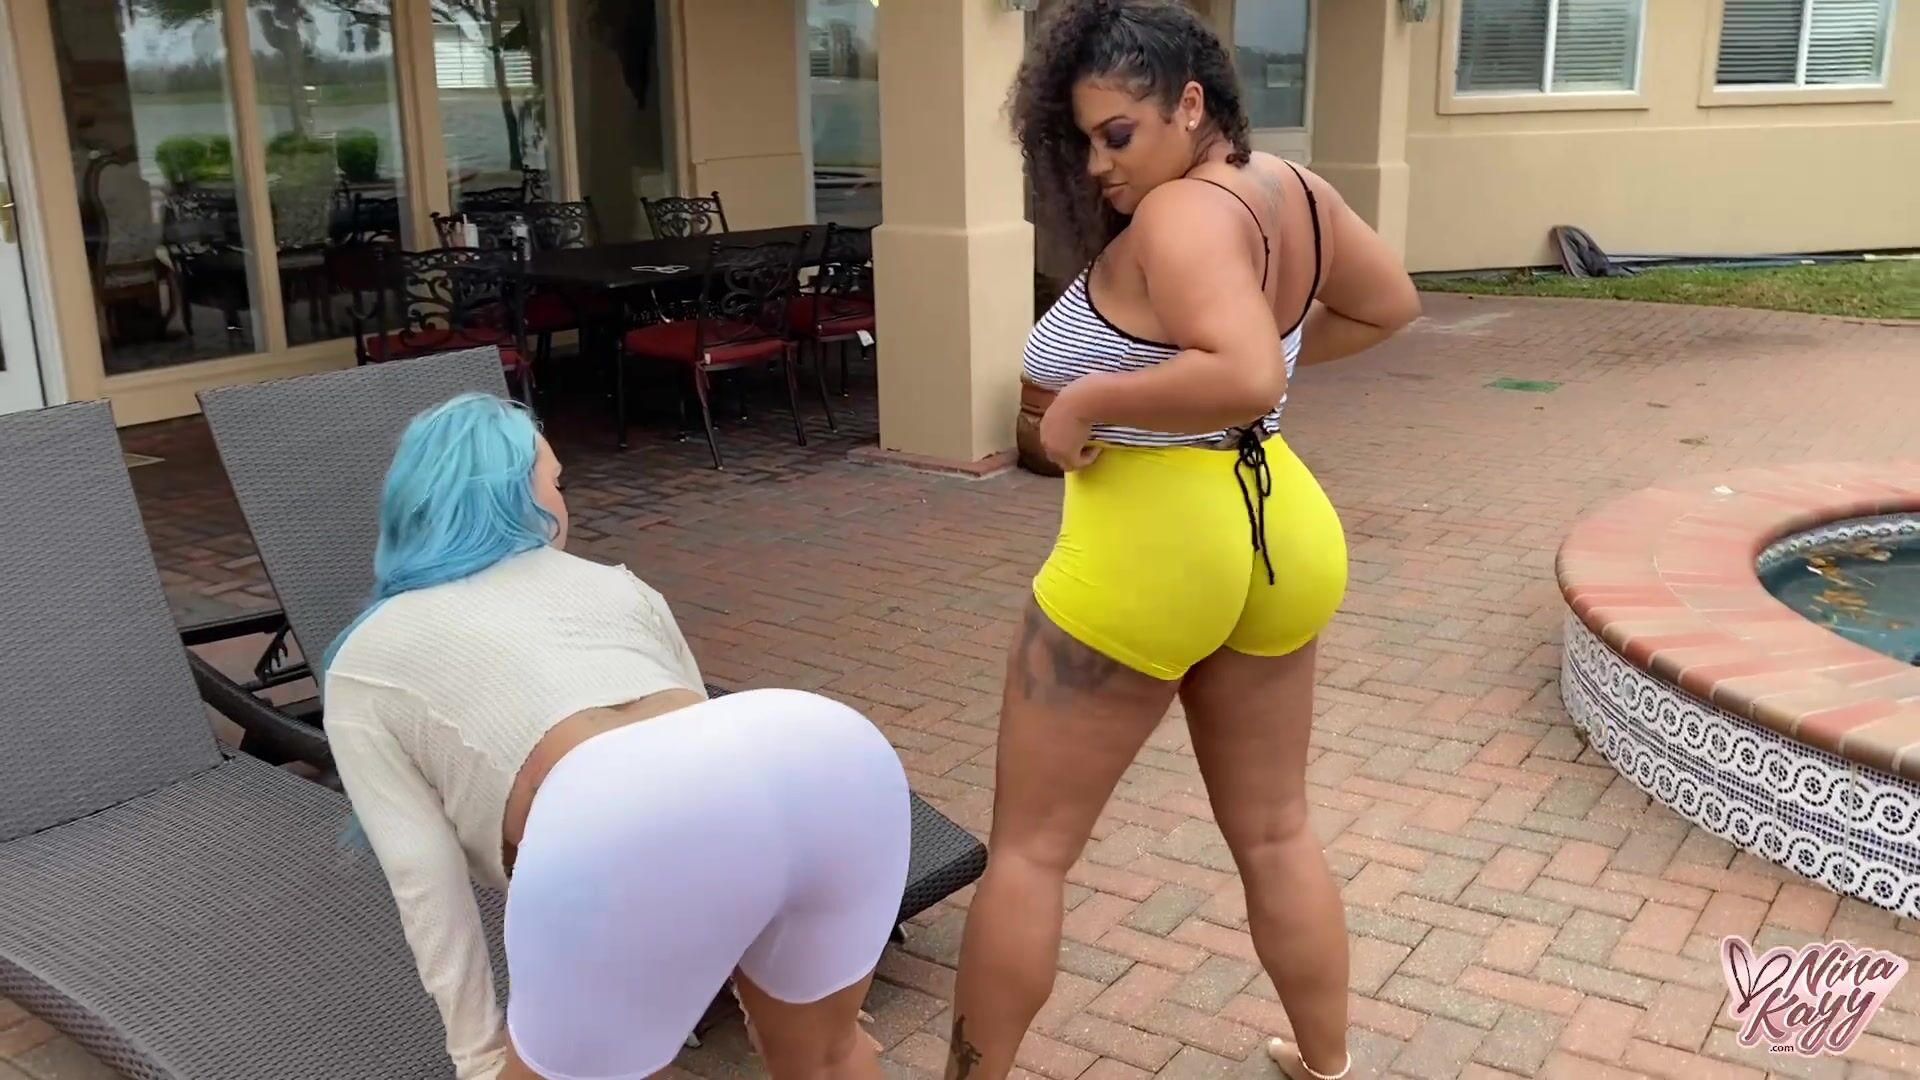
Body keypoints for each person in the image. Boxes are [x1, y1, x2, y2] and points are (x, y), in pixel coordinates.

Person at [946, 4, 1422, 1080]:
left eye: (1117, 133)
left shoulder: (1178, 216)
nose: (1099, 165)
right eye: (1083, 141)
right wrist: (1270, 353)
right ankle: (1327, 1064)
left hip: (1155, 547)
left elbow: (1243, 370)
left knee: (1030, 854)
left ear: (1191, 103)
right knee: (1276, 829)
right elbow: (1387, 304)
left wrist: (1088, 402)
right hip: (1277, 526)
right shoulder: (1295, 190)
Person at [321, 392, 910, 1080]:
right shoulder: (618, 586)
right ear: (516, 502)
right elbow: (707, 758)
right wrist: (759, 989)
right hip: (825, 749)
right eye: (556, 483)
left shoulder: (365, 659)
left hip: (621, 820)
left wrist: (478, 1056)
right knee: (828, 1058)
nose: (562, 501)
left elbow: (425, 878)